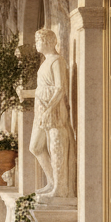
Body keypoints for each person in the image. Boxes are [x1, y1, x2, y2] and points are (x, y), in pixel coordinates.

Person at [28, 28, 77, 197]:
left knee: (56, 147)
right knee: (35, 146)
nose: (36, 45)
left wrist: (49, 108)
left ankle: (60, 188)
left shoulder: (57, 61)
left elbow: (60, 87)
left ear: (49, 41)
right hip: (42, 109)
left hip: (53, 110)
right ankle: (52, 181)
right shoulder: (45, 62)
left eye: (38, 41)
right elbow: (43, 88)